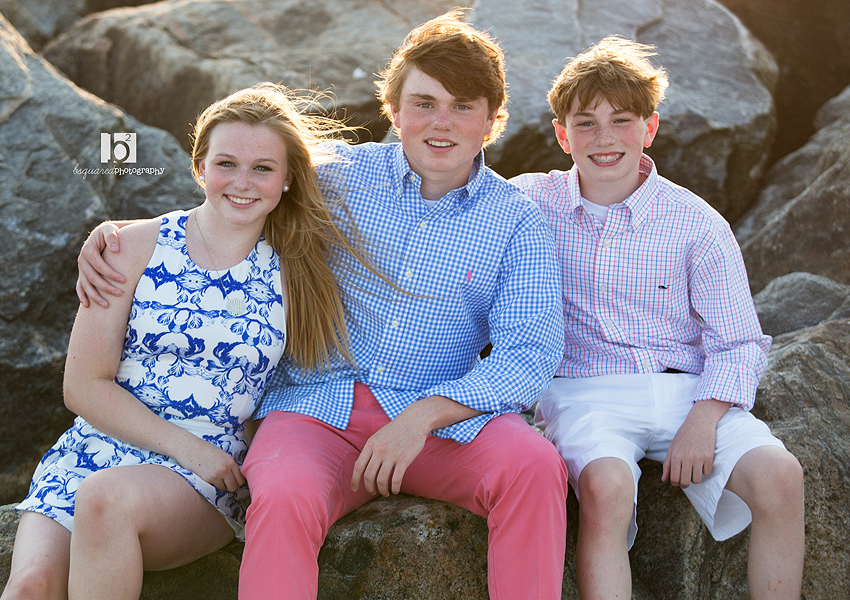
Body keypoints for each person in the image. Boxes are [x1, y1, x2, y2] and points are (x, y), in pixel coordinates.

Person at [76, 9, 569, 599]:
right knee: (282, 494)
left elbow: (529, 353)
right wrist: (119, 235)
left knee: (535, 467)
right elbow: (238, 190)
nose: (442, 123)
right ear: (394, 110)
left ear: (491, 120)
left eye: (463, 106)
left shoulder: (517, 222)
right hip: (317, 411)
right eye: (424, 103)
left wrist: (423, 417)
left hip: (441, 421)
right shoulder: (334, 177)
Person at [2, 83, 379, 600]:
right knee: (29, 587)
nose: (242, 183)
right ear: (200, 167)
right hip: (96, 448)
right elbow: (83, 385)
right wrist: (181, 445)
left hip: (207, 471)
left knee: (106, 502)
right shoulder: (129, 247)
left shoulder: (298, 273)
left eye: (263, 168)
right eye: (226, 164)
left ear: (288, 178)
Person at [511, 36, 805, 599]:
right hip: (585, 392)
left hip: (687, 392)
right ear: (562, 135)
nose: (604, 138)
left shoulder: (696, 223)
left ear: (649, 129)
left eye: (621, 121)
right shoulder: (529, 203)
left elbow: (739, 341)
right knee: (607, 490)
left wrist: (704, 418)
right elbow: (459, 195)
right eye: (586, 123)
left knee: (781, 477)